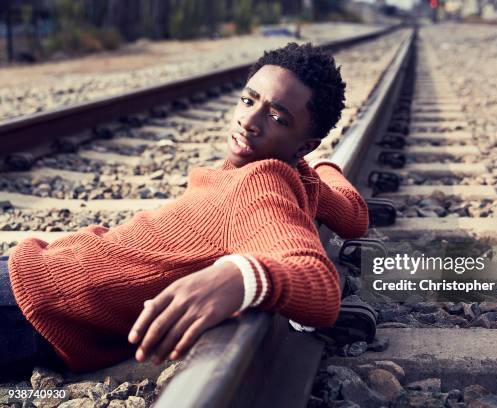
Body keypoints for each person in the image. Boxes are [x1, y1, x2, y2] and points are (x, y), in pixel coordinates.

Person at [1, 43, 369, 379]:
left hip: (31, 306)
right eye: (248, 99)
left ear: (304, 143)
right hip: (42, 274)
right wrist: (322, 167)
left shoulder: (260, 184)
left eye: (276, 117)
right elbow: (354, 213)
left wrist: (239, 277)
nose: (249, 120)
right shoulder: (300, 179)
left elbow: (319, 283)